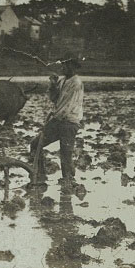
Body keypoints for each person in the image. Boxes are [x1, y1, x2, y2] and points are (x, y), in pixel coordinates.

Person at [30, 55, 83, 189]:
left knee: (65, 153)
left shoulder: (76, 83)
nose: (63, 67)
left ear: (73, 67)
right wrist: (53, 85)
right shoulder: (63, 80)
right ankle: (40, 174)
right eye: (63, 65)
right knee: (36, 144)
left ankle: (69, 181)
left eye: (66, 65)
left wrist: (51, 121)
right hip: (58, 120)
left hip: (69, 122)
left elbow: (66, 106)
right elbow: (55, 99)